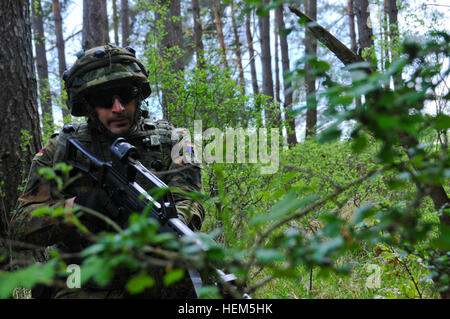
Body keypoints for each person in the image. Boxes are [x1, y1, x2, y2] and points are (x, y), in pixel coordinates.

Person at [11, 44, 205, 298]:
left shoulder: (174, 141)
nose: (118, 108)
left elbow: (189, 200)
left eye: (125, 95)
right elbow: (21, 223)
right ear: (88, 104)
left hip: (149, 267)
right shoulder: (61, 148)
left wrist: (156, 227)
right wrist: (77, 208)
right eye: (104, 99)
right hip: (79, 271)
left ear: (138, 95)